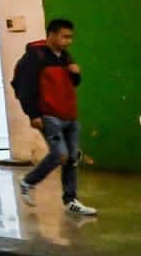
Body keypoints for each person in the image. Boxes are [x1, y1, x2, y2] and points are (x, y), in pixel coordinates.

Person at [13, 18, 96, 216]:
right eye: (64, 37)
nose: (68, 41)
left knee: (72, 158)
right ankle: (28, 182)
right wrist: (33, 114)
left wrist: (76, 74)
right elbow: (24, 86)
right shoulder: (35, 57)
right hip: (49, 115)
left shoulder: (65, 57)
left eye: (71, 37)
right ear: (51, 35)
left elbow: (72, 83)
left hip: (69, 115)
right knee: (60, 154)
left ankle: (70, 200)